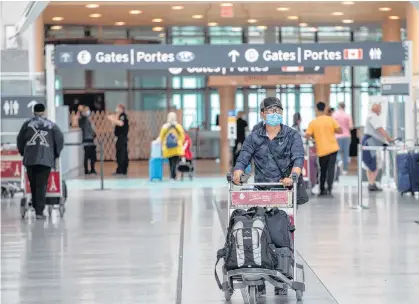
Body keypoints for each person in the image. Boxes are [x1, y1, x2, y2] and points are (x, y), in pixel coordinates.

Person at [17, 104, 64, 219]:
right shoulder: (52, 126)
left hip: (30, 159)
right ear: (44, 111)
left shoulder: (27, 125)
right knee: (41, 185)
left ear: (33, 112)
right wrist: (55, 154)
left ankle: (35, 206)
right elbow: (60, 139)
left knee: (33, 184)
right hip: (45, 159)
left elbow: (20, 140)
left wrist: (23, 152)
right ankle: (39, 212)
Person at [305, 102, 342, 197]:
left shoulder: (313, 122)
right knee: (331, 170)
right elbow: (340, 130)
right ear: (325, 109)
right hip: (333, 148)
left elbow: (307, 135)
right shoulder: (331, 120)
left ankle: (322, 190)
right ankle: (329, 190)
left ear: (316, 109)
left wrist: (314, 140)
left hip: (321, 150)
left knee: (322, 170)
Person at [362, 101, 394, 192]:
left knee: (369, 164)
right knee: (375, 163)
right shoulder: (374, 117)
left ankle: (371, 183)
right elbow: (380, 129)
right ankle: (371, 183)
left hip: (368, 141)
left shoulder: (370, 116)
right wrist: (389, 139)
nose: (381, 110)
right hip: (371, 142)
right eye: (380, 108)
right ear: (375, 108)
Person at [159, 112, 185, 180]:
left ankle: (172, 175)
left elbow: (161, 137)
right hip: (176, 147)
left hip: (168, 147)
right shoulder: (178, 126)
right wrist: (180, 142)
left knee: (170, 162)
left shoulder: (164, 127)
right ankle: (173, 175)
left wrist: (162, 144)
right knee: (175, 162)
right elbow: (182, 136)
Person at [108, 104, 129, 175]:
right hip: (118, 137)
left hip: (122, 137)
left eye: (118, 108)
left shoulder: (123, 115)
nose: (116, 109)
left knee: (121, 154)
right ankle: (121, 169)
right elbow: (114, 124)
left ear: (121, 109)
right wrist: (114, 118)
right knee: (120, 153)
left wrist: (112, 118)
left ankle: (121, 170)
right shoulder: (119, 116)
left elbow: (121, 123)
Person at [333, 102, 353, 174]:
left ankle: (339, 162)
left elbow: (333, 126)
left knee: (337, 152)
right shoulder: (348, 115)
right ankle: (345, 170)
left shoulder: (335, 115)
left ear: (338, 106)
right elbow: (351, 126)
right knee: (345, 153)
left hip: (337, 136)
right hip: (346, 136)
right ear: (344, 107)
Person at [77, 105, 97, 175]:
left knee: (91, 156)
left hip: (89, 138)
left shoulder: (86, 119)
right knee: (88, 155)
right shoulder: (83, 119)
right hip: (87, 139)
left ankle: (91, 169)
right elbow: (88, 129)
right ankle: (88, 170)